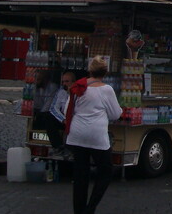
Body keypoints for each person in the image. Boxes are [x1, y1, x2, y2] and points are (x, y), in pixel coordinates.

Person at [65, 55, 122, 214]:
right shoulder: (106, 90)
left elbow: (67, 110)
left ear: (90, 71)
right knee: (105, 171)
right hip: (96, 135)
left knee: (80, 175)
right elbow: (115, 114)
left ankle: (79, 210)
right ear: (105, 73)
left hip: (77, 134)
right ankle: (90, 208)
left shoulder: (78, 87)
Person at [47, 71, 76, 158]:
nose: (64, 84)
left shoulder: (79, 93)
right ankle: (58, 146)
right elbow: (53, 108)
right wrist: (63, 119)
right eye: (63, 81)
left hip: (76, 121)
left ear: (73, 82)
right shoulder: (61, 92)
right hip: (64, 119)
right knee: (48, 118)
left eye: (67, 81)